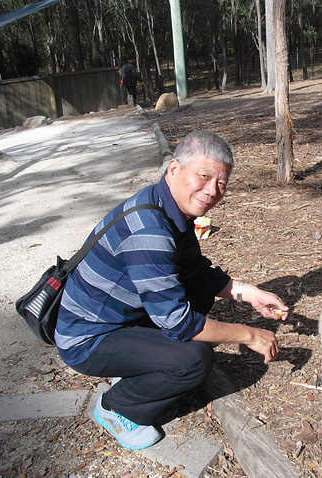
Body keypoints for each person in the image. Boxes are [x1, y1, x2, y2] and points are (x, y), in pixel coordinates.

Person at [55, 130, 290, 450]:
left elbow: (194, 272)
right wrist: (250, 335)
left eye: (221, 183)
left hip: (118, 317)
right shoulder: (150, 230)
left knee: (199, 295)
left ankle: (136, 366)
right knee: (193, 358)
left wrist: (248, 293)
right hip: (87, 338)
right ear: (175, 169)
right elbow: (178, 323)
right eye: (204, 176)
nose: (212, 191)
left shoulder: (166, 205)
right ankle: (117, 408)